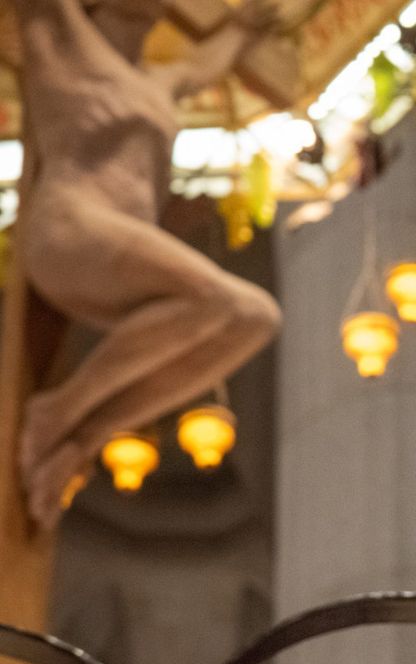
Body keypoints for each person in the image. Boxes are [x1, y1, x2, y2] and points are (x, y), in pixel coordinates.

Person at [13, 0, 284, 526]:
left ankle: (84, 433)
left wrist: (252, 19)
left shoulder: (160, 80)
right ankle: (57, 414)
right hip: (71, 227)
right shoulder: (65, 41)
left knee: (255, 319)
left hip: (118, 248)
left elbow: (214, 57)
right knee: (220, 301)